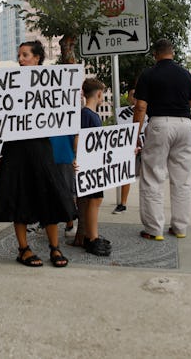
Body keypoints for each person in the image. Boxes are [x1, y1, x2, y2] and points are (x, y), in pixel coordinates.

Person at [0, 40, 75, 268]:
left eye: (25, 55)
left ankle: (54, 247)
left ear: (37, 58)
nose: (20, 59)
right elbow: (1, 111)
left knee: (48, 194)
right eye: (19, 55)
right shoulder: (8, 84)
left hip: (41, 148)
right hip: (16, 149)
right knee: (19, 196)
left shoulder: (51, 84)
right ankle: (24, 249)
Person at [133, 39, 191, 241]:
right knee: (182, 178)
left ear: (155, 54)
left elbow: (141, 107)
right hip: (185, 125)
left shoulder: (149, 74)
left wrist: (135, 135)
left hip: (160, 123)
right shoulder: (186, 74)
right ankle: (179, 227)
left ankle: (154, 229)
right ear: (173, 53)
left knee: (153, 175)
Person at [75, 78, 111, 256]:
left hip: (94, 164)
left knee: (95, 200)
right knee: (94, 200)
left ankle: (92, 235)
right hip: (90, 166)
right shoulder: (87, 115)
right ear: (98, 94)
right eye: (102, 93)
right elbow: (79, 139)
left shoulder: (89, 115)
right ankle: (92, 238)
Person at [49, 134, 77, 238]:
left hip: (53, 153)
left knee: (50, 191)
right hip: (66, 154)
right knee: (68, 192)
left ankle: (46, 223)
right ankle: (69, 225)